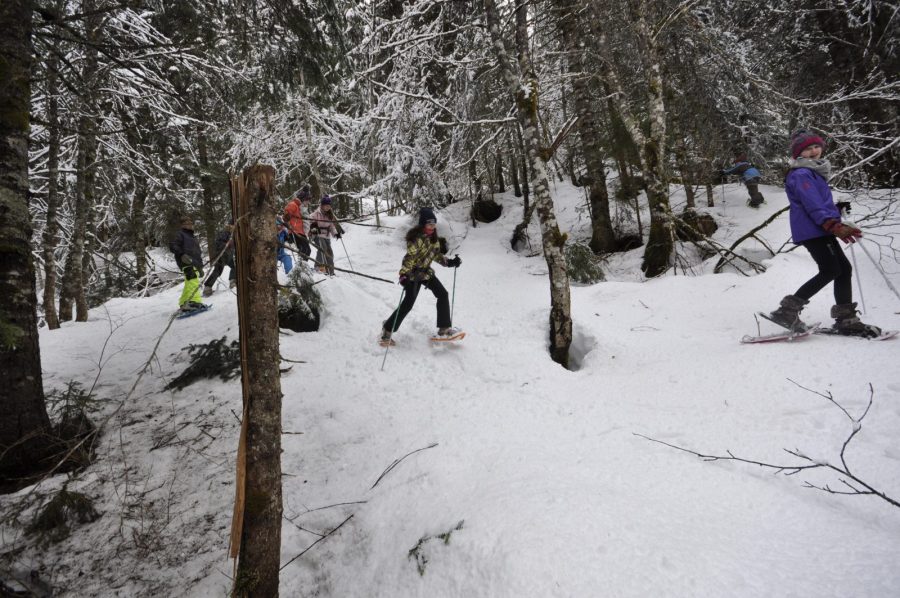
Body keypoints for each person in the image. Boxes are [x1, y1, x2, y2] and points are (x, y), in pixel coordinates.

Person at [764, 129, 881, 337]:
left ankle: (846, 319)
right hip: (813, 230)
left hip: (821, 228)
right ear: (799, 153)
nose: (814, 151)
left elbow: (818, 203)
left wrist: (836, 211)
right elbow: (812, 204)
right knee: (831, 270)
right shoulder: (801, 174)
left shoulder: (812, 172)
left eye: (816, 146)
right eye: (807, 149)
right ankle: (787, 311)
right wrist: (831, 224)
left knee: (843, 269)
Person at [380, 207, 462, 344]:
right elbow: (409, 258)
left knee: (442, 294)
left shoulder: (433, 238)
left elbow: (435, 255)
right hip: (412, 275)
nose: (432, 226)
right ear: (423, 224)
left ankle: (444, 329)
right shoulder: (416, 239)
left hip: (426, 273)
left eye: (434, 224)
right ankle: (387, 330)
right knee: (408, 304)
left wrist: (450, 262)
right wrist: (403, 275)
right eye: (430, 224)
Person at [169, 216, 206, 312]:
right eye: (186, 223)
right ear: (182, 225)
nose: (189, 224)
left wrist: (200, 266)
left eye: (190, 223)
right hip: (185, 261)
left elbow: (197, 253)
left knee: (189, 282)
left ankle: (184, 303)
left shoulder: (193, 237)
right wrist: (182, 254)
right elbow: (173, 245)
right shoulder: (180, 234)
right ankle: (194, 302)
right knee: (193, 281)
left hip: (194, 263)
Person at [306, 194, 344, 275]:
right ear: (322, 205)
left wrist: (336, 234)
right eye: (326, 205)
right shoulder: (316, 214)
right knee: (323, 248)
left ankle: (331, 271)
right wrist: (314, 228)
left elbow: (332, 227)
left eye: (329, 206)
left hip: (326, 236)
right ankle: (319, 268)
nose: (327, 207)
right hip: (318, 235)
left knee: (329, 252)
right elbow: (309, 220)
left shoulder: (330, 215)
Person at [203, 222, 236, 296]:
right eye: (232, 225)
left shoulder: (234, 234)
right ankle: (207, 287)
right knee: (218, 271)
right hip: (221, 255)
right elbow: (218, 243)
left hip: (229, 255)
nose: (233, 227)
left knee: (234, 267)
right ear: (229, 226)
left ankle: (232, 281)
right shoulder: (224, 233)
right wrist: (226, 244)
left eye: (234, 226)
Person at [283, 187, 312, 261]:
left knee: (308, 250)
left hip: (301, 232)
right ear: (303, 199)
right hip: (294, 231)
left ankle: (303, 267)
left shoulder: (301, 207)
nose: (308, 202)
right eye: (307, 200)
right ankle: (301, 267)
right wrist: (287, 216)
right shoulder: (294, 204)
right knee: (303, 249)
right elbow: (286, 212)